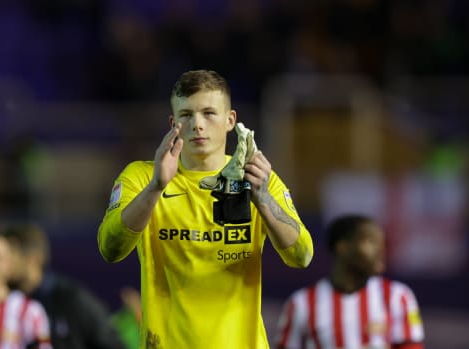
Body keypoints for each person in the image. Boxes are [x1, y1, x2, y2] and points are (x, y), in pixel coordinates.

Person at [97, 69, 314, 348]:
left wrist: (262, 198)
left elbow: (303, 256)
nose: (197, 124)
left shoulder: (257, 178)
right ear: (173, 123)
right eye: (186, 115)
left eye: (209, 113)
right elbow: (110, 249)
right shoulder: (141, 177)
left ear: (230, 120)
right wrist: (155, 188)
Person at [275, 214, 424, 349]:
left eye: (382, 243)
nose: (381, 250)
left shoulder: (397, 297)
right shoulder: (301, 304)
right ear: (343, 247)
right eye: (371, 242)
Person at [3, 223, 125, 349]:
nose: (1, 263)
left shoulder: (70, 299)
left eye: (9, 255)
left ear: (33, 258)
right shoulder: (0, 303)